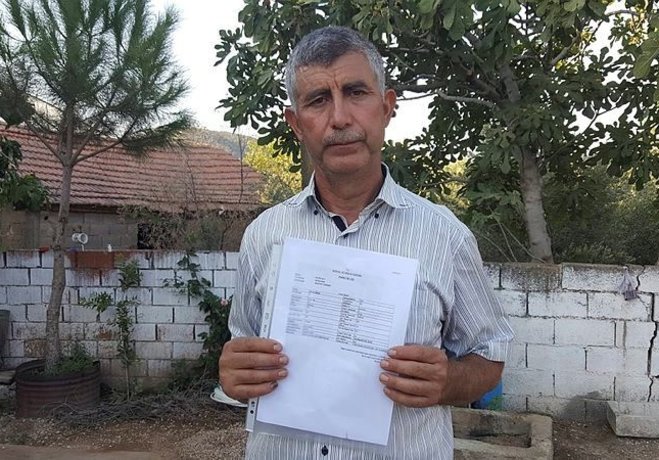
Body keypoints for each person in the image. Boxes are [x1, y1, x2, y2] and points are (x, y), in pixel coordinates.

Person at [219, 26, 514, 459]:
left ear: (387, 107)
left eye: (356, 92)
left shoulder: (445, 236)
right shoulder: (263, 236)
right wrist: (234, 374)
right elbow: (245, 349)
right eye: (318, 100)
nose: (339, 118)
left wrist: (449, 381)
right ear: (296, 123)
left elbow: (489, 356)